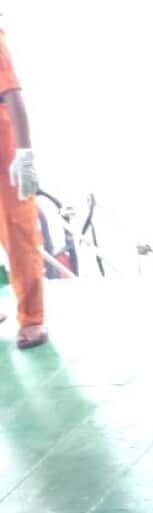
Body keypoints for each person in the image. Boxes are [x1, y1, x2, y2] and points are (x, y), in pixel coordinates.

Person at [0, 25, 45, 349]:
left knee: (18, 234)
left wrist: (25, 155)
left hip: (4, 151)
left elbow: (13, 96)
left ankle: (32, 319)